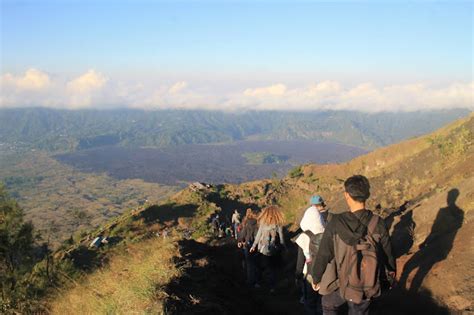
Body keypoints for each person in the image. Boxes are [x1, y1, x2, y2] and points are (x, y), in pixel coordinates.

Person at [310, 175, 396, 315]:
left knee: (328, 304)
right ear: (367, 194)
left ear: (347, 195)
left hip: (344, 282)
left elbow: (324, 254)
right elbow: (388, 253)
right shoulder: (378, 223)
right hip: (367, 283)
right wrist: (391, 275)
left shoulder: (336, 223)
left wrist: (316, 277)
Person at [295, 195, 329, 314]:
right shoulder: (327, 232)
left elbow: (300, 259)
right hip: (326, 271)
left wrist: (298, 275)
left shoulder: (304, 236)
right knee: (323, 301)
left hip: (310, 272)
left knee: (310, 302)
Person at [250, 205, 286, 293]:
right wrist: (284, 246)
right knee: (272, 268)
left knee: (260, 266)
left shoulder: (263, 222)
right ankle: (272, 287)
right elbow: (281, 237)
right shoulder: (278, 224)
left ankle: (258, 283)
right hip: (274, 250)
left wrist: (253, 246)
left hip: (262, 249)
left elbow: (258, 235)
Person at [238, 208, 260, 287]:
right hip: (257, 245)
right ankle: (257, 281)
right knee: (257, 263)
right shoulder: (258, 224)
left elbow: (242, 234)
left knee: (249, 264)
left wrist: (240, 241)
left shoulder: (246, 223)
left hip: (247, 245)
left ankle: (250, 280)